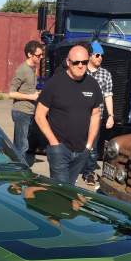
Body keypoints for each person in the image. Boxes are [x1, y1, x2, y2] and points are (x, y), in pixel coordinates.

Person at [35, 44, 103, 185]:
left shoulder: (93, 84)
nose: (80, 66)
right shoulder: (54, 83)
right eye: (76, 62)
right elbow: (39, 115)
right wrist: (54, 143)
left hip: (82, 150)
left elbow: (96, 114)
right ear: (68, 62)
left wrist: (89, 145)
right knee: (61, 189)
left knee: (70, 188)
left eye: (84, 62)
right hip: (60, 149)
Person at [80, 41, 115, 189]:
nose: (100, 58)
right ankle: (74, 169)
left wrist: (111, 115)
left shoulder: (105, 74)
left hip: (96, 117)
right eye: (98, 55)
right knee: (76, 143)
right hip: (78, 115)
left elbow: (108, 95)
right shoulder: (80, 71)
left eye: (102, 56)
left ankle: (89, 172)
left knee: (93, 146)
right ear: (90, 55)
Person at [9, 40, 43, 166]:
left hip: (29, 111)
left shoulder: (32, 69)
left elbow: (28, 89)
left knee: (21, 143)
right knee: (22, 145)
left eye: (41, 55)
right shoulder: (22, 70)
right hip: (21, 111)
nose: (41, 57)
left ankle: (16, 165)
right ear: (29, 54)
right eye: (38, 55)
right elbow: (11, 93)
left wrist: (37, 93)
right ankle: (21, 169)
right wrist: (31, 96)